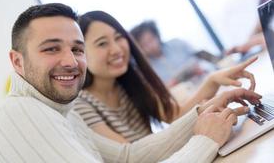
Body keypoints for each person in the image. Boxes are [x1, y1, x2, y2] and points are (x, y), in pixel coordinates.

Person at [0, 3, 262, 163]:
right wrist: (205, 139)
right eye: (51, 48)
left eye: (77, 49)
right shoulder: (24, 114)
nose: (70, 61)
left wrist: (204, 114)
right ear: (17, 61)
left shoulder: (58, 109)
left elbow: (126, 158)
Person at [73, 10, 258, 144]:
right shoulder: (81, 105)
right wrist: (207, 125)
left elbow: (174, 115)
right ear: (80, 52)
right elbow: (132, 155)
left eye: (119, 37)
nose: (117, 49)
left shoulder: (127, 84)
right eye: (102, 43)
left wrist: (213, 81)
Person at [129, 20, 202, 87]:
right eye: (144, 45)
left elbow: (202, 58)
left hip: (201, 80)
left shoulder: (177, 43)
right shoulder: (145, 68)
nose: (151, 46)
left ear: (157, 35)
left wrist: (198, 67)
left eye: (151, 40)